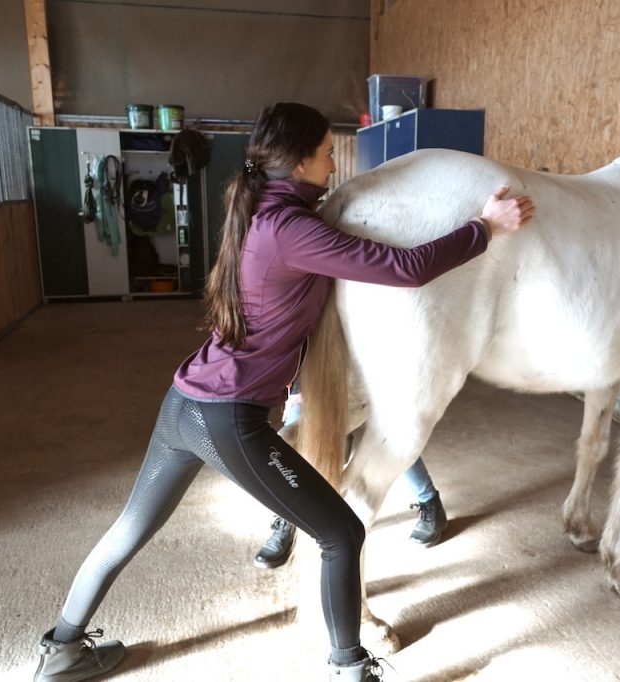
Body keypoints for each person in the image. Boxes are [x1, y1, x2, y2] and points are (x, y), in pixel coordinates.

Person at [32, 101, 535, 682]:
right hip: (228, 419)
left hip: (183, 402)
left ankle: (61, 646)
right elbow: (404, 268)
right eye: (326, 155)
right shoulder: (293, 229)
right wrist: (485, 228)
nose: (333, 167)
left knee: (130, 527)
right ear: (297, 163)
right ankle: (350, 667)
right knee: (341, 532)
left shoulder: (258, 210)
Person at [255, 390, 448, 570]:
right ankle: (288, 518)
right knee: (291, 434)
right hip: (320, 382)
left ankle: (429, 501)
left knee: (394, 435)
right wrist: (297, 390)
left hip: (370, 379)